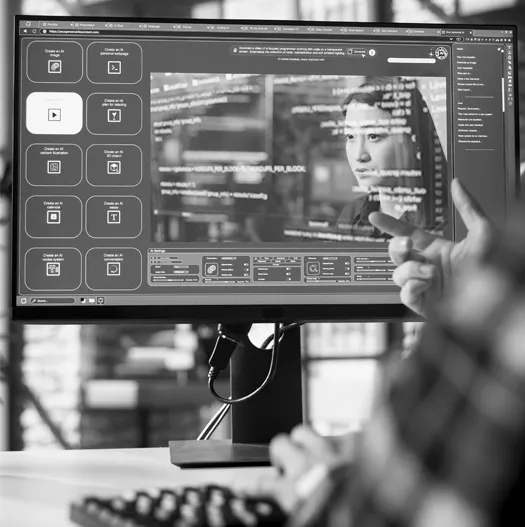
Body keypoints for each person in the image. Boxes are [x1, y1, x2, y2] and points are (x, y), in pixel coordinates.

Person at [236, 178, 503, 525]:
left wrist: (317, 488)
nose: (360, 155)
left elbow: (397, 515)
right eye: (351, 140)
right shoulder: (354, 213)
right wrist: (468, 308)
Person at [337, 76, 448, 240]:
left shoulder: (447, 222)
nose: (359, 155)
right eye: (350, 136)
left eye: (373, 136)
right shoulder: (351, 214)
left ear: (416, 139)